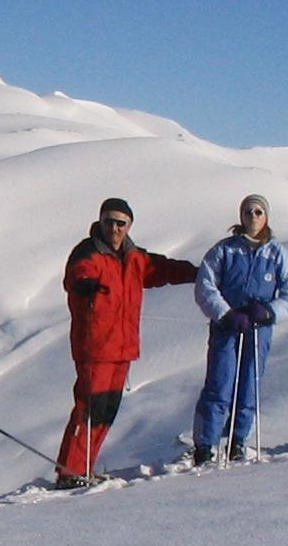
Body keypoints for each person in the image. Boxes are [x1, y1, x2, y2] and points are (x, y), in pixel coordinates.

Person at [56, 198, 197, 485]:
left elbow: (164, 270)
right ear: (100, 221)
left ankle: (85, 467)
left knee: (106, 412)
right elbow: (76, 275)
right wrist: (85, 285)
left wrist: (199, 272)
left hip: (122, 349)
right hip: (94, 348)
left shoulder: (135, 258)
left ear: (129, 225)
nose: (115, 228)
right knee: (88, 410)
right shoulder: (88, 253)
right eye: (109, 221)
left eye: (121, 223)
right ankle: (70, 472)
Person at [190, 195, 288, 464]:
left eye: (258, 212)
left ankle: (238, 439)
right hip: (227, 326)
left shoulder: (278, 255)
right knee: (219, 383)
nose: (253, 217)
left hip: (258, 329)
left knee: (249, 384)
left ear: (266, 216)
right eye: (248, 212)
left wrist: (270, 311)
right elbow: (205, 286)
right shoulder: (225, 251)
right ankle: (205, 445)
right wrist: (225, 313)